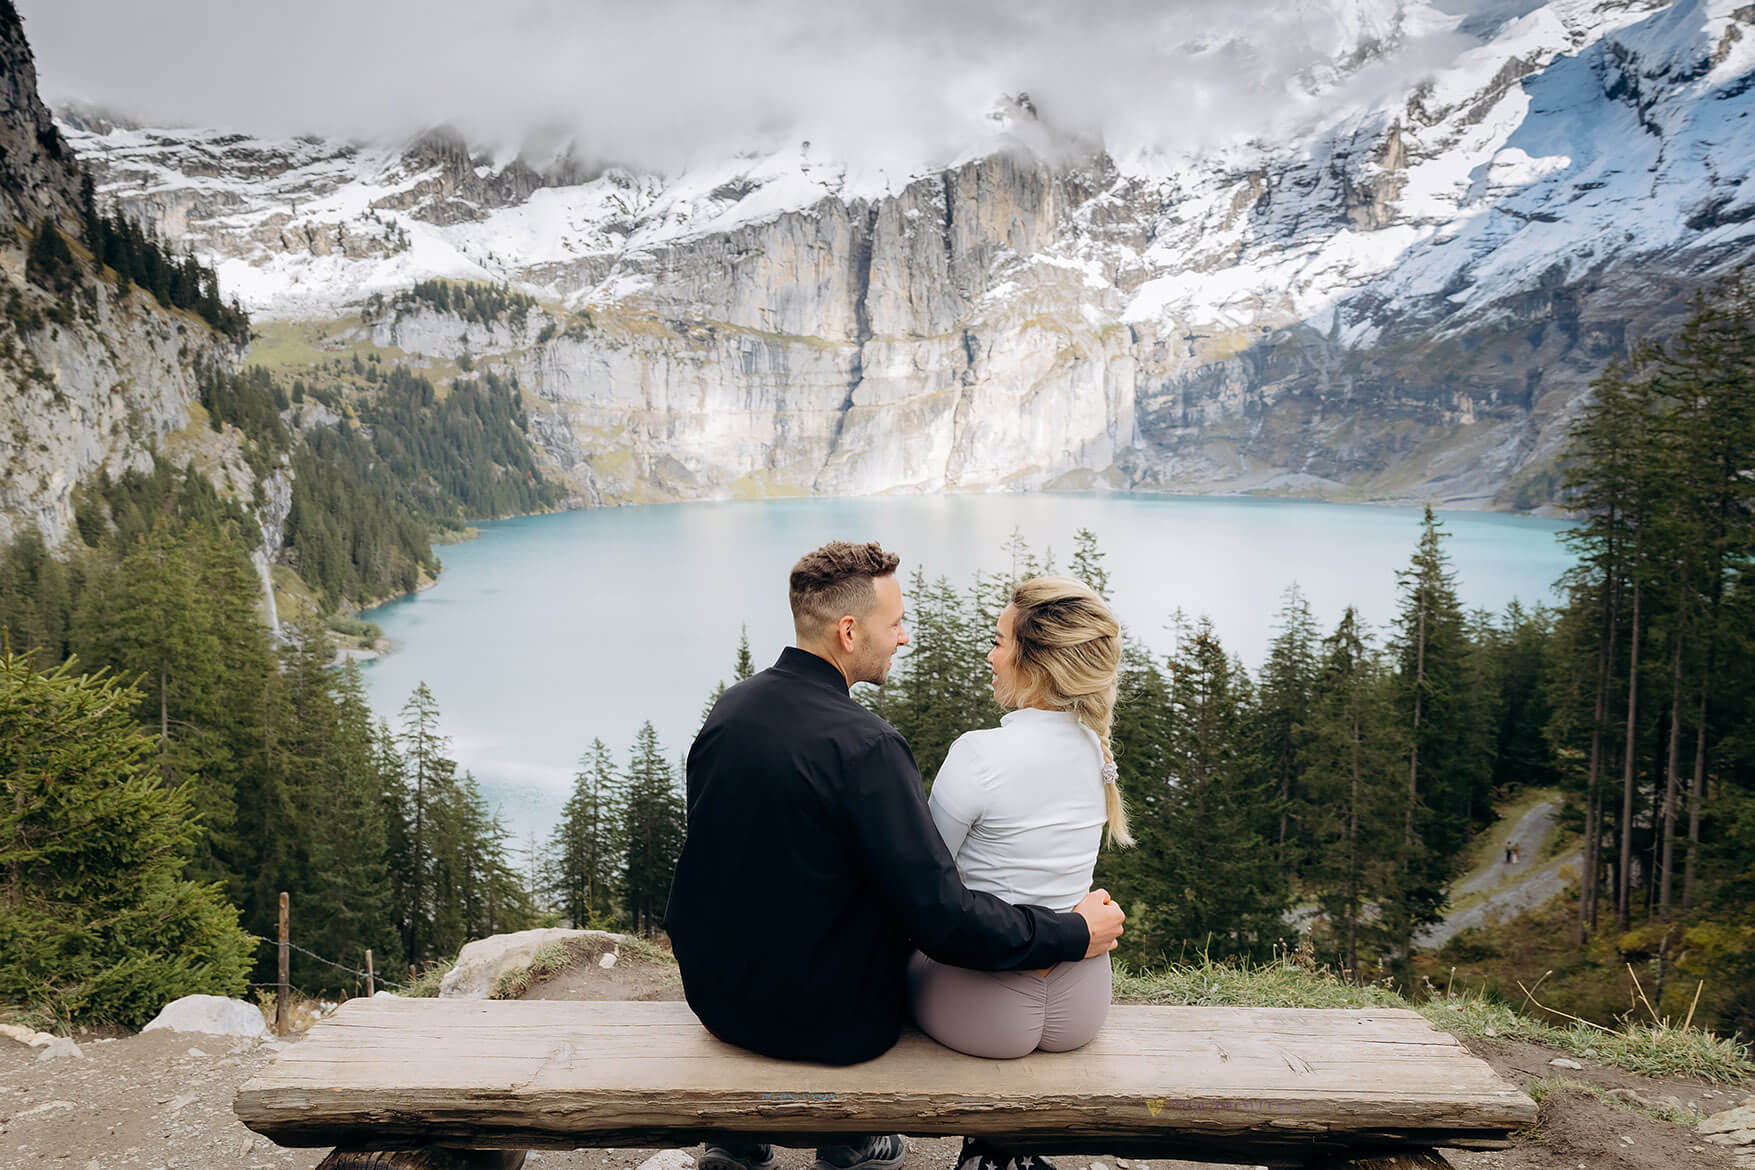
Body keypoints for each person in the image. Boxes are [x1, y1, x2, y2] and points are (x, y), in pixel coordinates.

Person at [665, 541, 1125, 1170]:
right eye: (895, 623)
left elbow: (719, 870)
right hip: (836, 1031)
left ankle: (741, 1139)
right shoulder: (868, 747)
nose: (904, 638)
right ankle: (851, 1141)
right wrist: (1071, 930)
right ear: (849, 631)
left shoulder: (729, 711)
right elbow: (941, 919)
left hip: (720, 1004)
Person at [907, 576, 1130, 1170]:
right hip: (1083, 1000)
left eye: (1000, 641)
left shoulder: (978, 754)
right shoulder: (1096, 749)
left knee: (897, 953)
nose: (990, 653)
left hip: (983, 1006)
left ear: (1035, 664)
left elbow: (928, 885)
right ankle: (999, 1155)